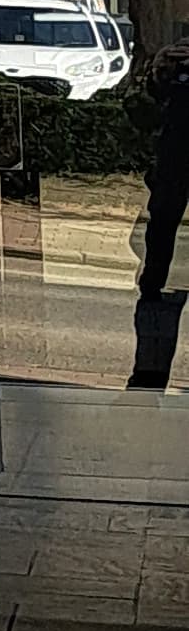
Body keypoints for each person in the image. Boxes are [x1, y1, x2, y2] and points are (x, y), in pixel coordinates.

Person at [131, 44, 189, 390]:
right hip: (171, 176)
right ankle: (148, 379)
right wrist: (156, 72)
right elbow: (138, 116)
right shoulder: (177, 65)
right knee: (153, 289)